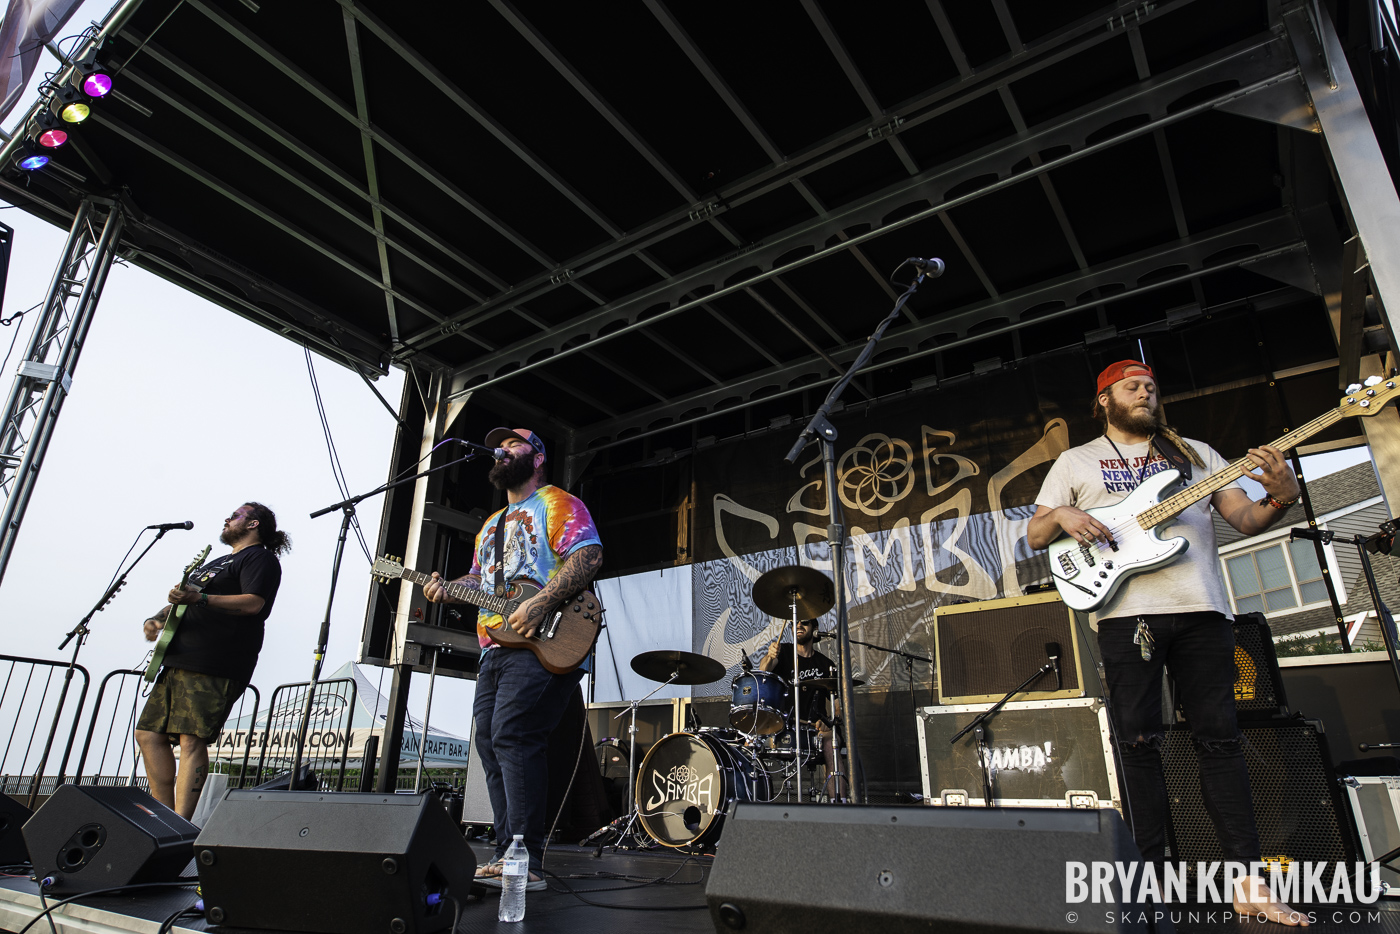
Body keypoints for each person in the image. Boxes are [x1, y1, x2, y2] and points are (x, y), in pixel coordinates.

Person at [1027, 360, 1307, 926]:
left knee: (1221, 742)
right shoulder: (1075, 461)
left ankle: (1248, 884)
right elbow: (1035, 534)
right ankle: (1147, 884)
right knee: (1137, 747)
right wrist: (1061, 511)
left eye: (1152, 387)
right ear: (1104, 399)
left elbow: (1246, 519)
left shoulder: (1194, 453)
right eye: (1132, 387)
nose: (1146, 393)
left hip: (1202, 609)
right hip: (1126, 614)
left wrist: (1281, 497)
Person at [423, 428, 602, 888]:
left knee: (514, 735)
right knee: (490, 742)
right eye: (498, 447)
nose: (502, 450)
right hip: (495, 647)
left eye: (514, 445)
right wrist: (447, 589)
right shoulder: (491, 524)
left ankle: (527, 863)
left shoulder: (556, 502)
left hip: (546, 639)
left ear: (537, 458)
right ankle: (508, 856)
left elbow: (587, 557)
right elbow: (482, 581)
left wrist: (540, 603)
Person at [135, 503, 288, 819]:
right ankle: (161, 819)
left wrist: (200, 598)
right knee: (148, 734)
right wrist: (157, 619)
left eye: (235, 516)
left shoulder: (259, 558)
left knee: (192, 739)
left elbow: (253, 603)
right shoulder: (217, 563)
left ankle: (180, 822)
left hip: (216, 660)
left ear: (253, 523)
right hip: (179, 658)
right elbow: (186, 599)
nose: (227, 519)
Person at [759, 618, 846, 800]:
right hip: (784, 727)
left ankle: (839, 803)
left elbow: (839, 707)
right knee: (750, 742)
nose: (798, 626)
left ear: (815, 629)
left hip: (814, 730)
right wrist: (770, 656)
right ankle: (748, 802)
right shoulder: (783, 652)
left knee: (833, 742)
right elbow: (764, 671)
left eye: (804, 623)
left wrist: (831, 722)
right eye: (795, 623)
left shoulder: (825, 664)